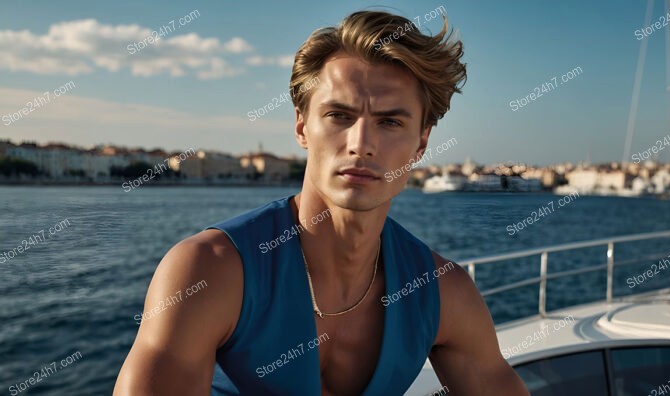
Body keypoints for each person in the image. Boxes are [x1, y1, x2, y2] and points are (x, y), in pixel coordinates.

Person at [114, 10, 530, 395]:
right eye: (339, 115)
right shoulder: (211, 271)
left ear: (421, 141)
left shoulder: (443, 292)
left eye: (390, 122)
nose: (361, 145)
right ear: (301, 125)